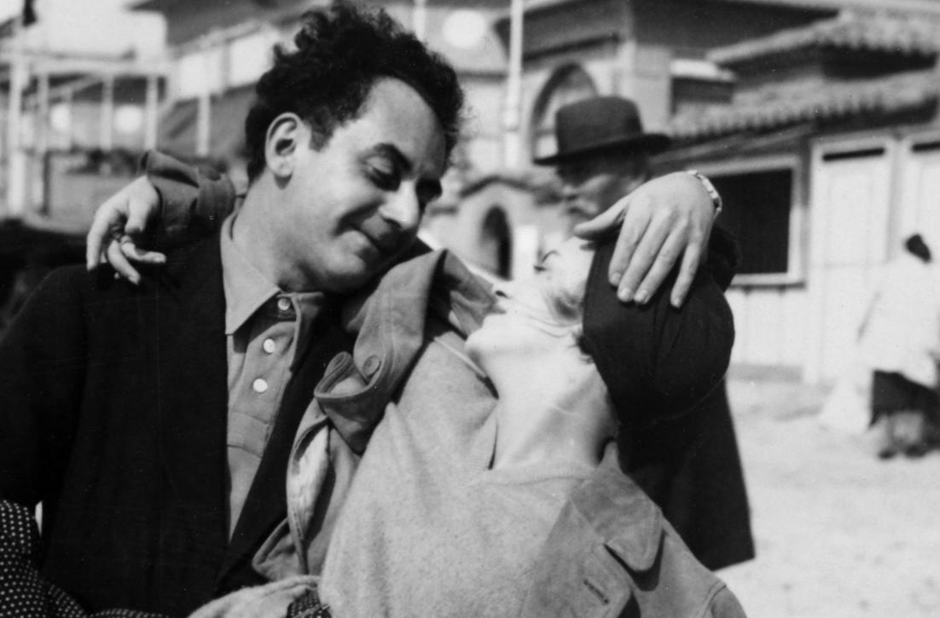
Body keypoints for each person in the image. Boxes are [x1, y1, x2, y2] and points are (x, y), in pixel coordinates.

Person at [0, 1, 721, 616]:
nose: (407, 212)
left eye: (426, 191)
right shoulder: (96, 307)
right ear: (286, 144)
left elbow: (634, 328)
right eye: (382, 171)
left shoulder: (402, 333)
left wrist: (695, 193)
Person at [192, 235, 744, 618]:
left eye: (542, 275)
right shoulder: (443, 369)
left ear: (585, 341)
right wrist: (695, 193)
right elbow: (343, 228)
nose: (501, 289)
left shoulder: (618, 557)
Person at [533, 95, 753, 569]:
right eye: (563, 175)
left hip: (665, 464)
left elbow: (709, 250)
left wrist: (695, 190)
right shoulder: (588, 249)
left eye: (581, 172)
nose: (566, 189)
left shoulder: (667, 235)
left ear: (633, 169)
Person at [859, 233, 940, 458]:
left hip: (886, 345)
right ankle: (913, 443)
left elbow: (868, 301)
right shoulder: (931, 274)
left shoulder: (889, 270)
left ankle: (887, 443)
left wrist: (862, 330)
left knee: (887, 396)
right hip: (919, 345)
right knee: (917, 395)